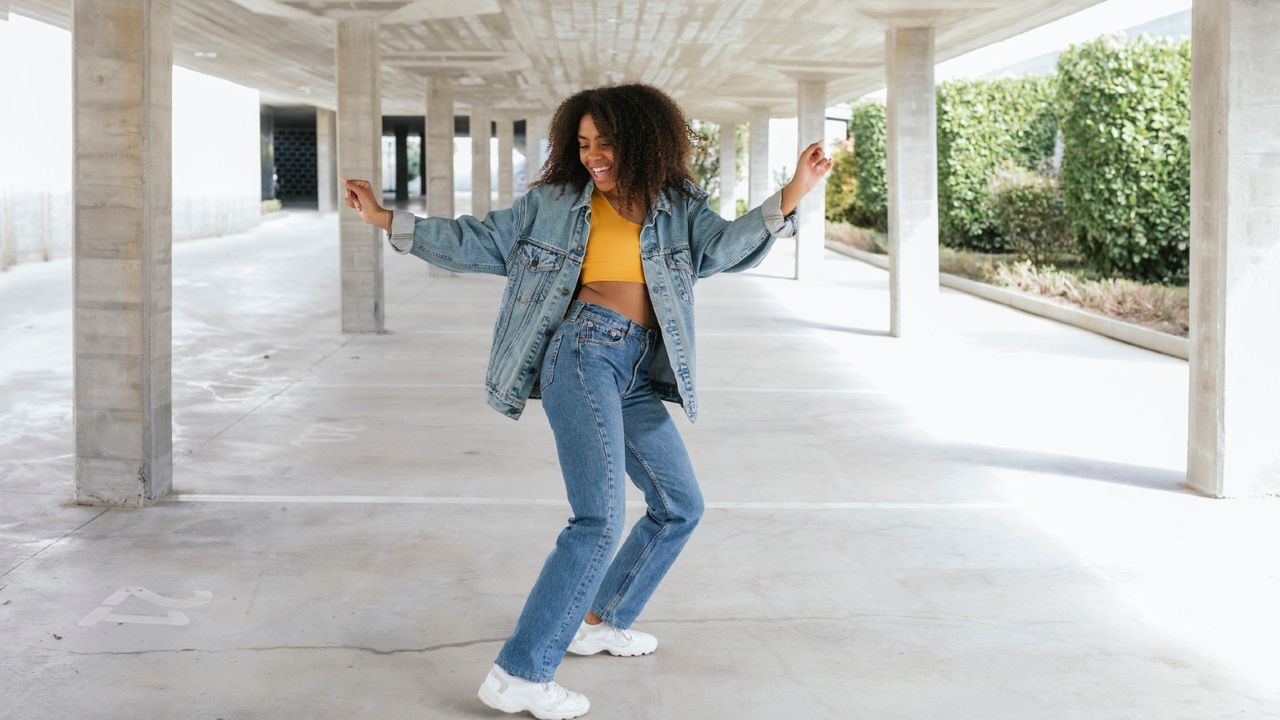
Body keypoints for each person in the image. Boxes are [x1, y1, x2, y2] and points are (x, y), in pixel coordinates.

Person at [342, 82, 832, 720]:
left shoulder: (677, 203)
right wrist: (386, 219)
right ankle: (520, 673)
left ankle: (599, 618)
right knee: (597, 519)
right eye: (583, 144)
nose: (594, 156)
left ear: (643, 143)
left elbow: (722, 250)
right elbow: (477, 241)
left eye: (606, 143)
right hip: (582, 353)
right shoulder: (552, 203)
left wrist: (795, 192)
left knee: (680, 504)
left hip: (636, 368)